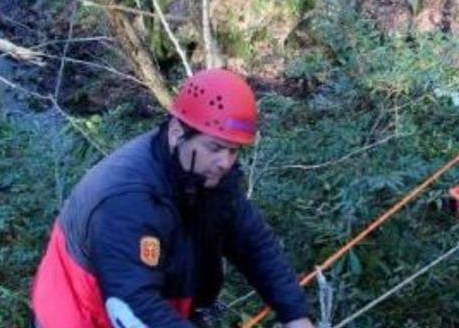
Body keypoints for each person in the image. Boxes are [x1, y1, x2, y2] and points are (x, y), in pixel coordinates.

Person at [30, 69, 314, 328]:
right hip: (82, 316)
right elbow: (133, 304)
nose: (225, 162)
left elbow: (254, 244)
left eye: (233, 150)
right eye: (215, 148)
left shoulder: (208, 176)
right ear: (178, 132)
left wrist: (295, 314)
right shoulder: (128, 201)